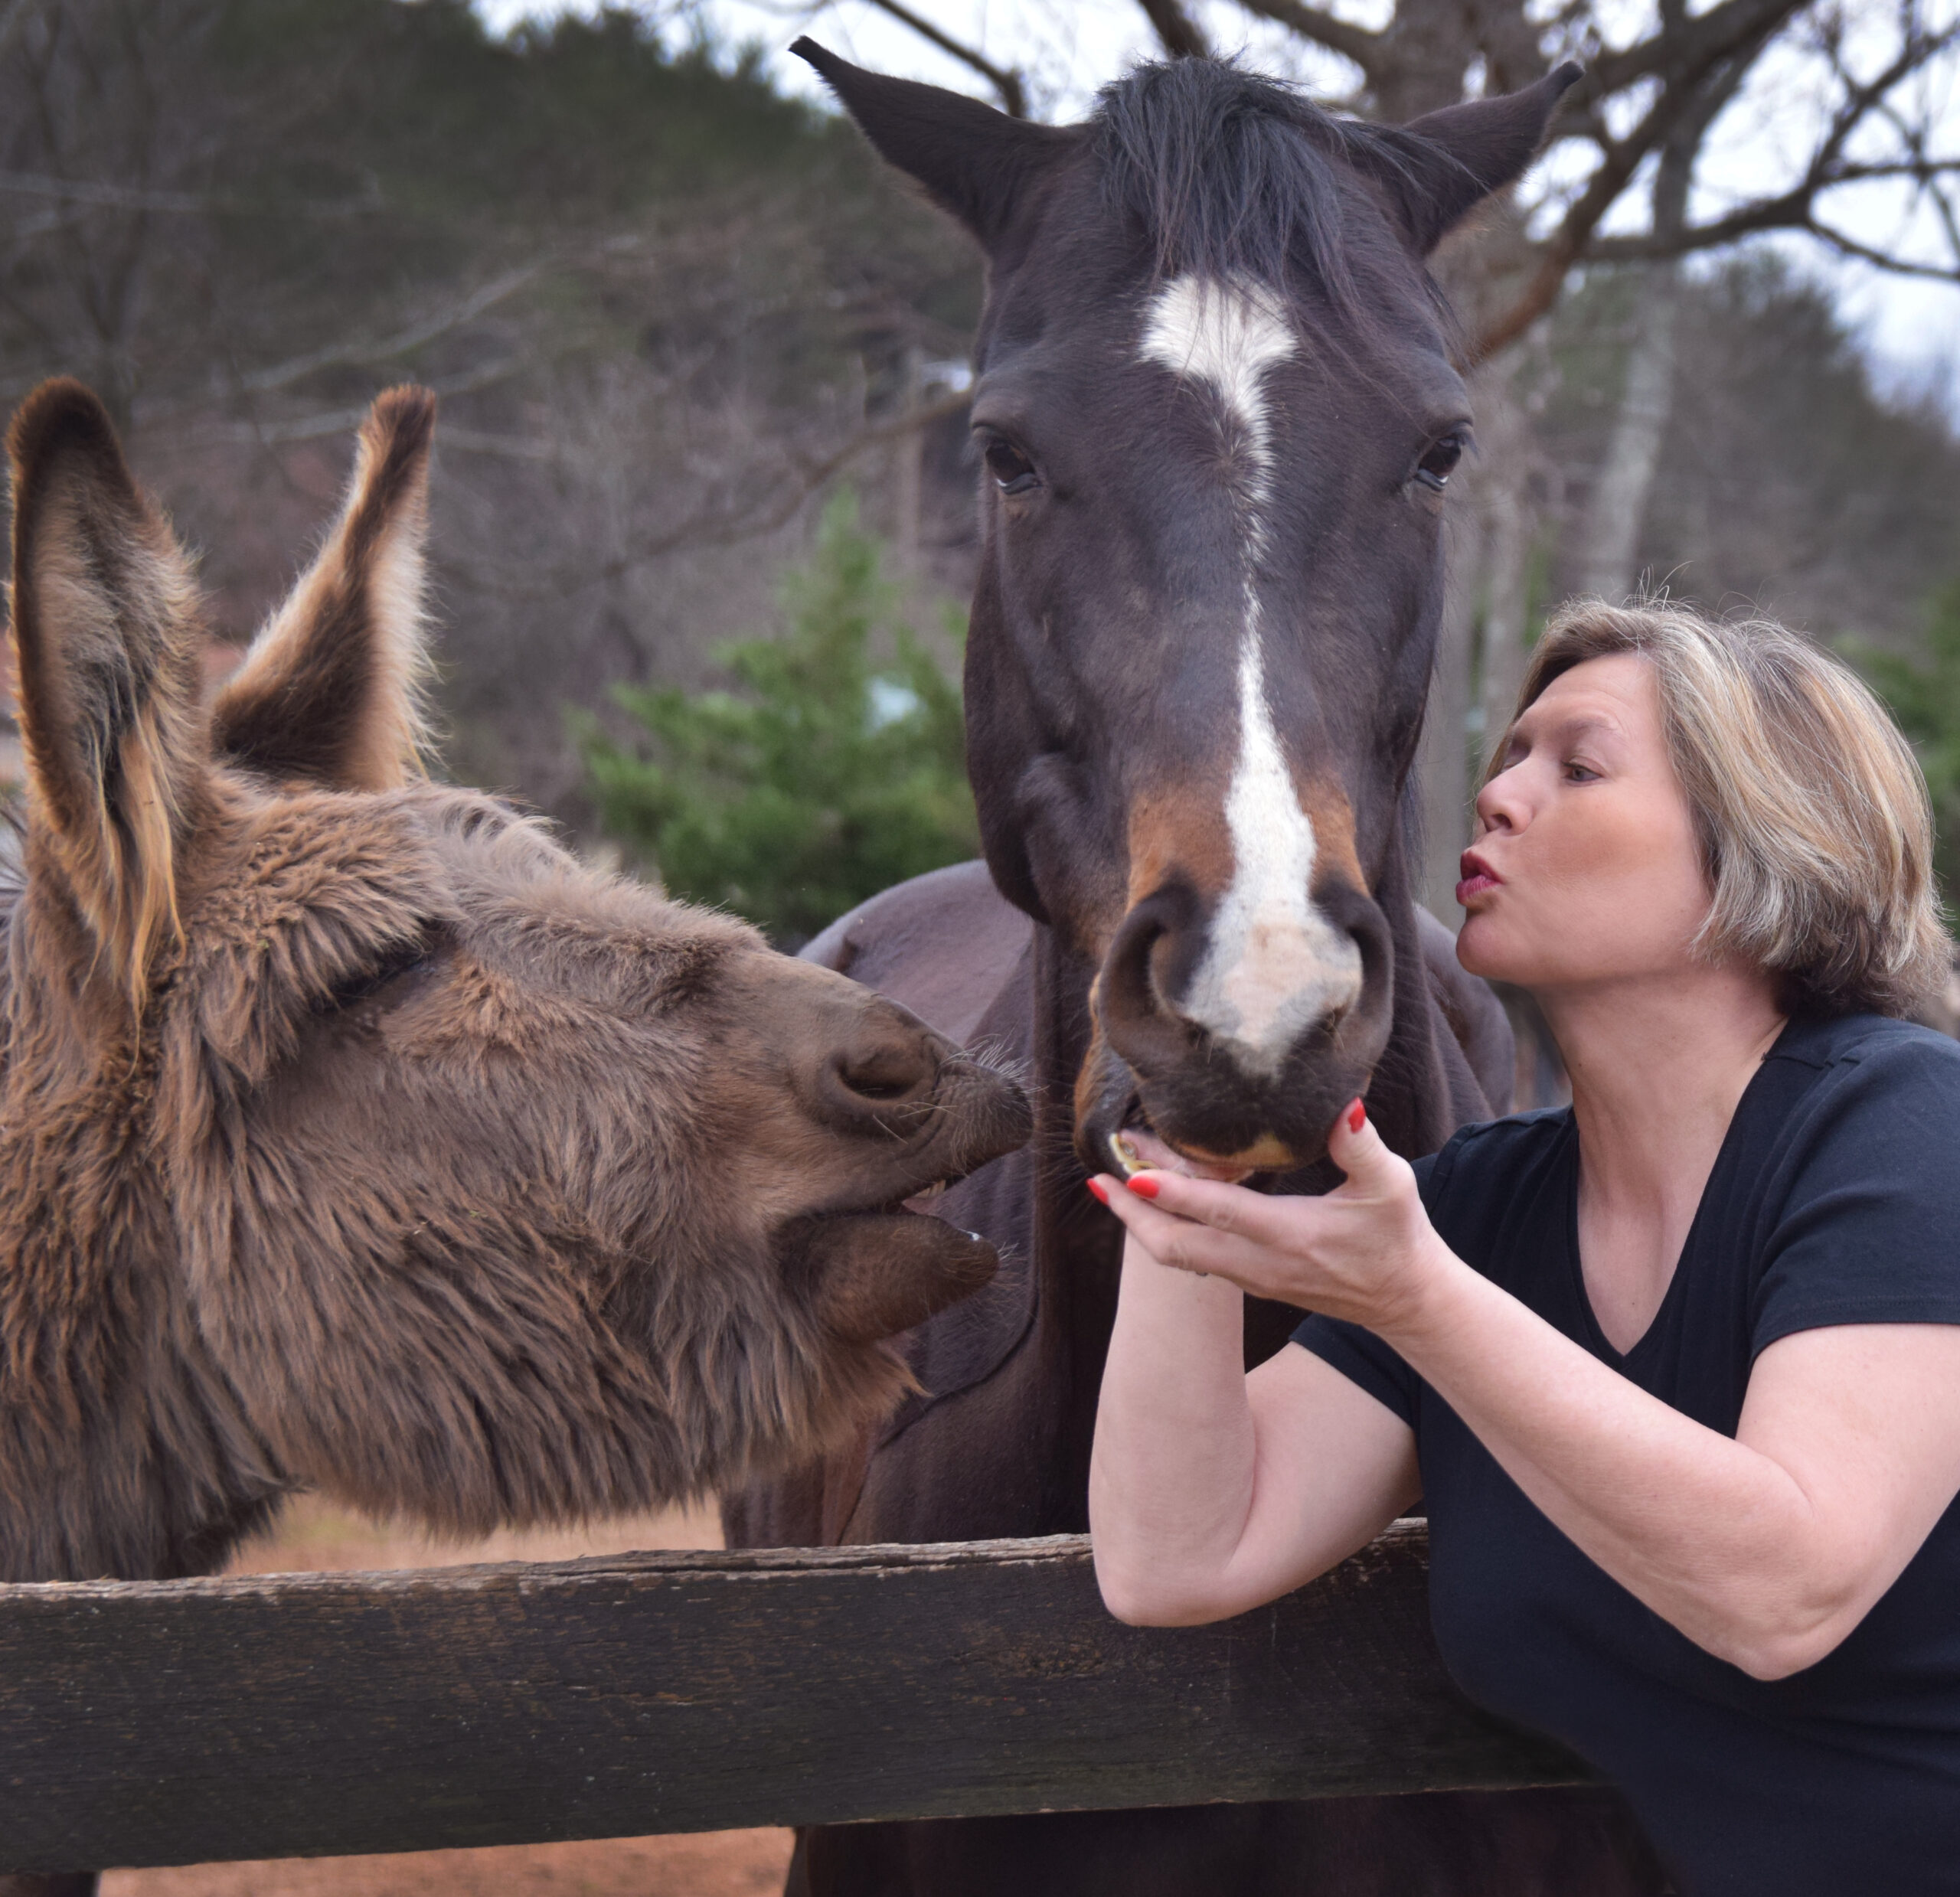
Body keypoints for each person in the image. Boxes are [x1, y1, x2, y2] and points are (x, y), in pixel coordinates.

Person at [1086, 601, 1960, 1897]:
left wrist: (1421, 1301)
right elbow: (1179, 1556)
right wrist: (1194, 1151)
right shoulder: (1483, 1212)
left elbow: (1789, 1590)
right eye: (1508, 755)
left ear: (1760, 842)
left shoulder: (1906, 1121)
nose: (1497, 795)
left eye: (1578, 765)